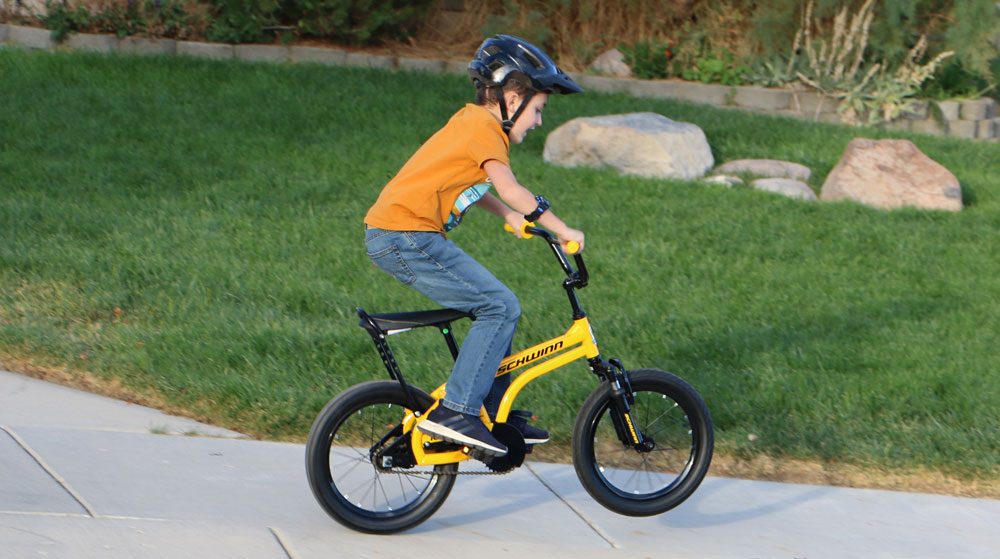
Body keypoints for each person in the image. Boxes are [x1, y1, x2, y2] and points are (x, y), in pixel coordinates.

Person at [363, 34, 584, 457]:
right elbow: (509, 186)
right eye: (538, 110)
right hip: (404, 235)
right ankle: (459, 411)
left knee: (496, 306)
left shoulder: (470, 124)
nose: (538, 121)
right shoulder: (484, 127)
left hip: (400, 234)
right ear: (513, 95)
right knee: (500, 306)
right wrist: (562, 228)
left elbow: (471, 186)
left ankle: (491, 410)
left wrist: (508, 217)